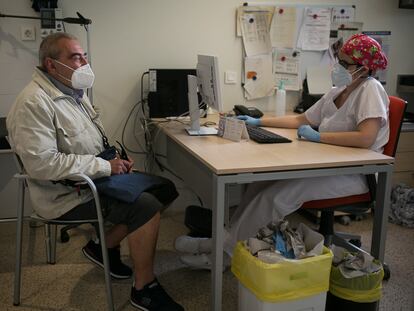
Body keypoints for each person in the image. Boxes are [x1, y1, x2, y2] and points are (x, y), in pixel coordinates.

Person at [174, 33, 389, 268]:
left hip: (354, 174)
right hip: (326, 165)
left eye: (345, 64)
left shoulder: (371, 89)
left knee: (274, 197)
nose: (338, 67)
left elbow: (366, 138)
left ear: (365, 69)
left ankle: (224, 256)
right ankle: (222, 242)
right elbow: (301, 119)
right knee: (257, 185)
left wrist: (319, 137)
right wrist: (258, 122)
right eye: (339, 60)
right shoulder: (338, 91)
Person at [7, 33, 184, 311]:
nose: (84, 63)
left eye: (84, 55)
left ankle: (102, 246)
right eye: (75, 57)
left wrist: (116, 160)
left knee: (164, 188)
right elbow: (42, 164)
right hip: (65, 195)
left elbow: (91, 142)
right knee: (145, 206)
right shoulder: (33, 103)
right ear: (51, 65)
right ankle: (144, 289)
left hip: (94, 178)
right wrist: (104, 167)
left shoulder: (73, 93)